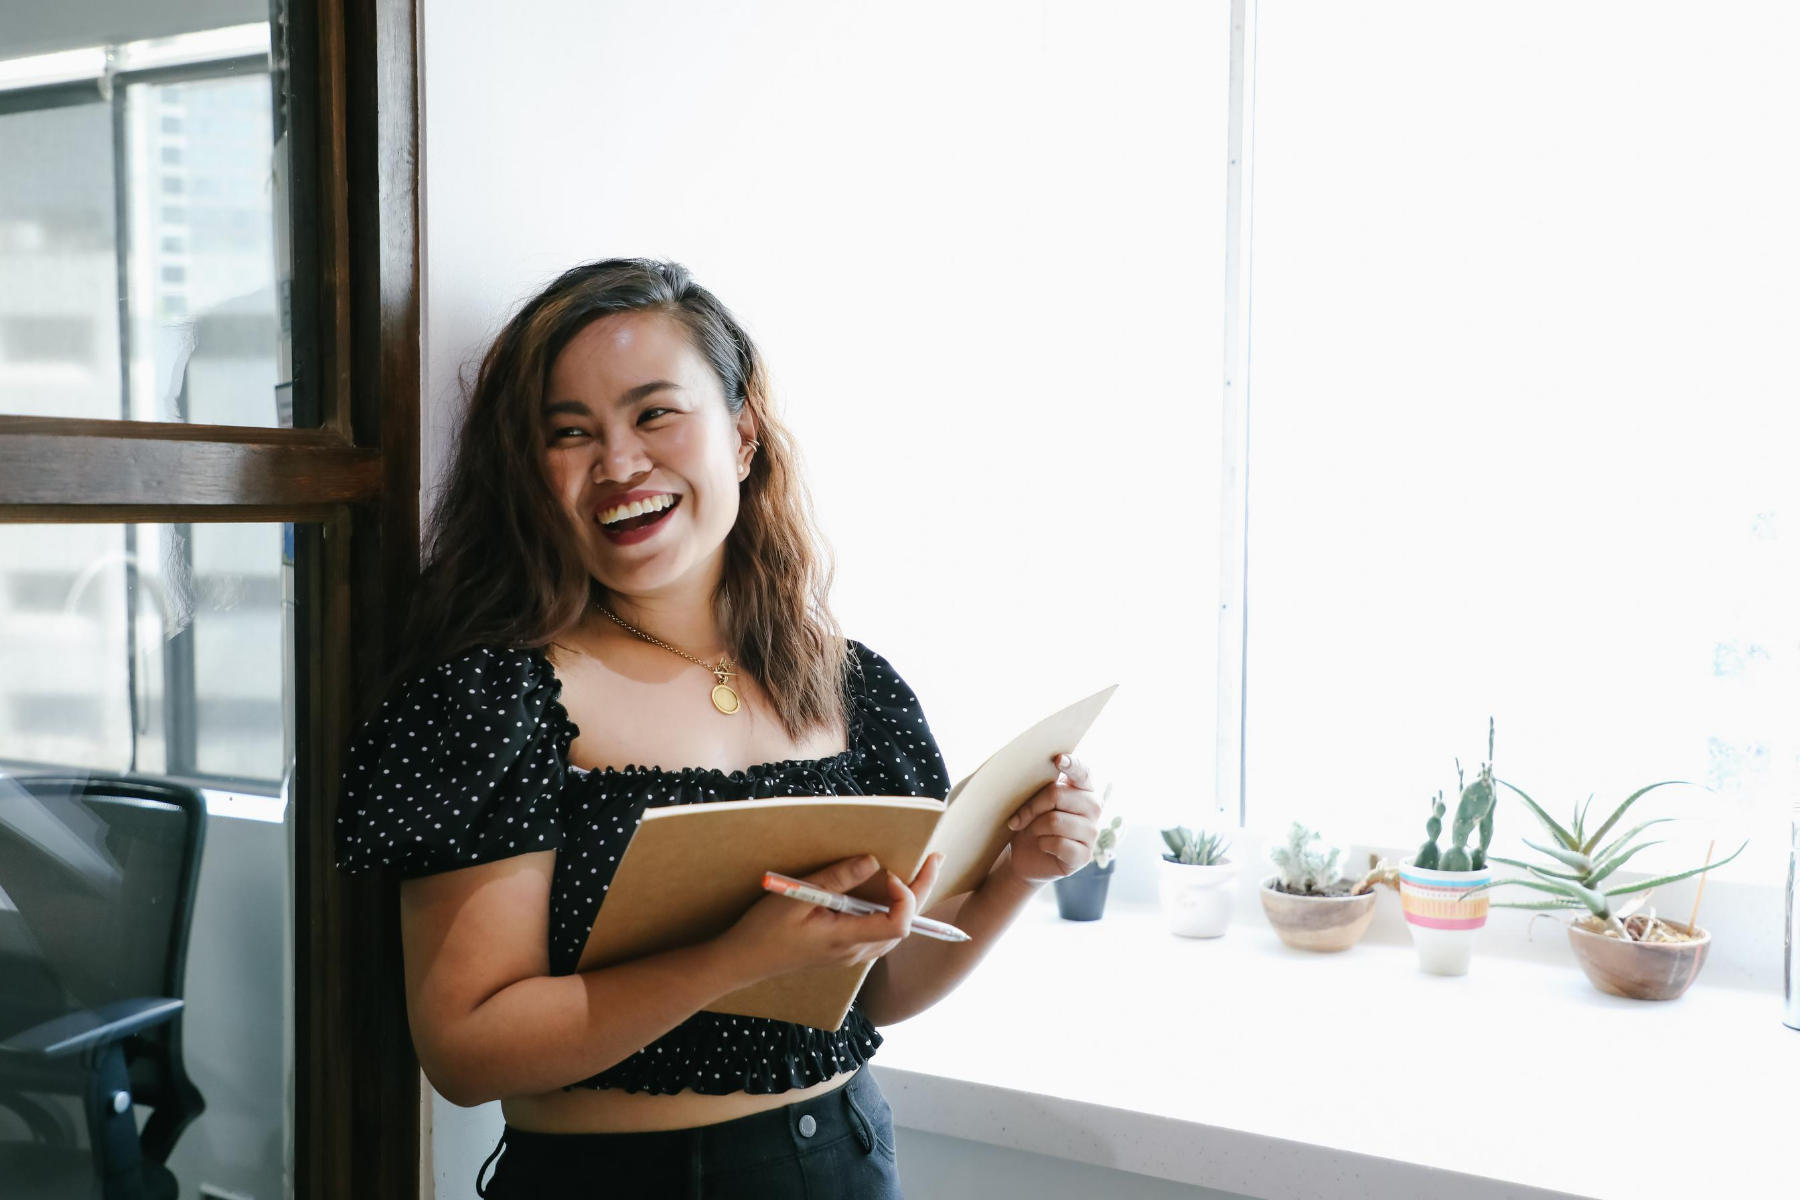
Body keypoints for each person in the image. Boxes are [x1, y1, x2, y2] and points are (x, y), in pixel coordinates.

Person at [333, 258, 1103, 1197]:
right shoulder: (491, 699)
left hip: (846, 1158)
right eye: (569, 433)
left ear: (741, 436)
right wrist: (734, 960)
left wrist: (1016, 876)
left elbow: (879, 992)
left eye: (655, 414)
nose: (619, 463)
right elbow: (464, 1051)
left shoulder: (855, 686)